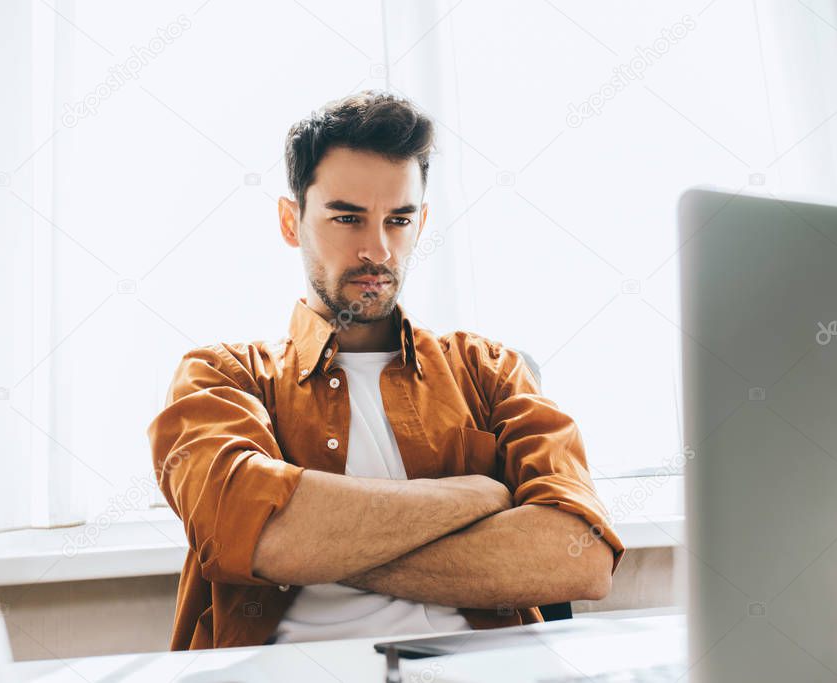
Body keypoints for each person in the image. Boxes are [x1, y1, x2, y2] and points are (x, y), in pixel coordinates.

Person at [147, 90, 623, 651]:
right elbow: (251, 536)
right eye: (347, 217)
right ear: (289, 221)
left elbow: (581, 555)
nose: (377, 249)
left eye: (398, 220)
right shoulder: (223, 377)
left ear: (421, 223)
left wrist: (320, 544)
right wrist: (479, 497)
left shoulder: (490, 371)